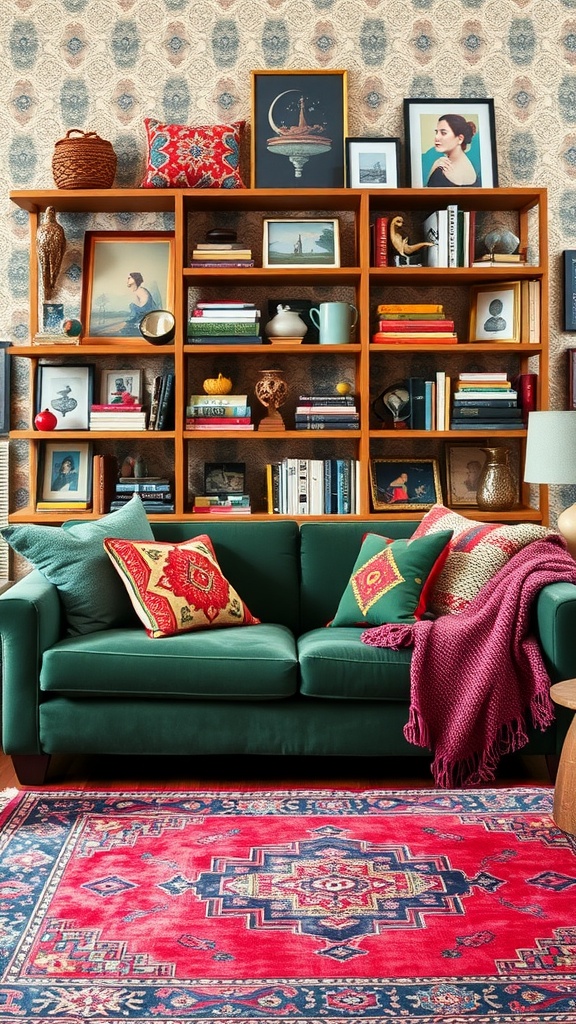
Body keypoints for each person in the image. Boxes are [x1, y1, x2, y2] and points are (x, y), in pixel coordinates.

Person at [426, 114, 480, 187]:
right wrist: (434, 166)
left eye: (443, 133)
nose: (436, 137)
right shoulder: (441, 163)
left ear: (460, 139)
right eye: (436, 132)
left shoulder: (462, 170)